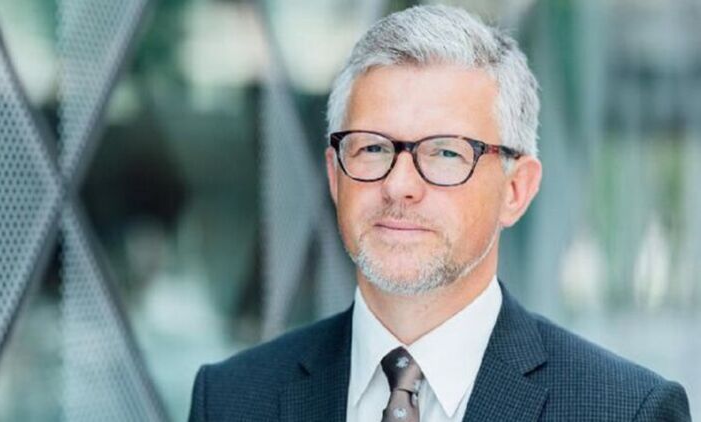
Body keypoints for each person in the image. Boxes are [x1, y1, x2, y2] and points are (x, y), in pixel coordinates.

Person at [189, 5, 691, 421]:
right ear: (335, 176)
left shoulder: (626, 410)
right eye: (372, 149)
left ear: (516, 190)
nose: (399, 185)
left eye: (446, 153)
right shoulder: (231, 399)